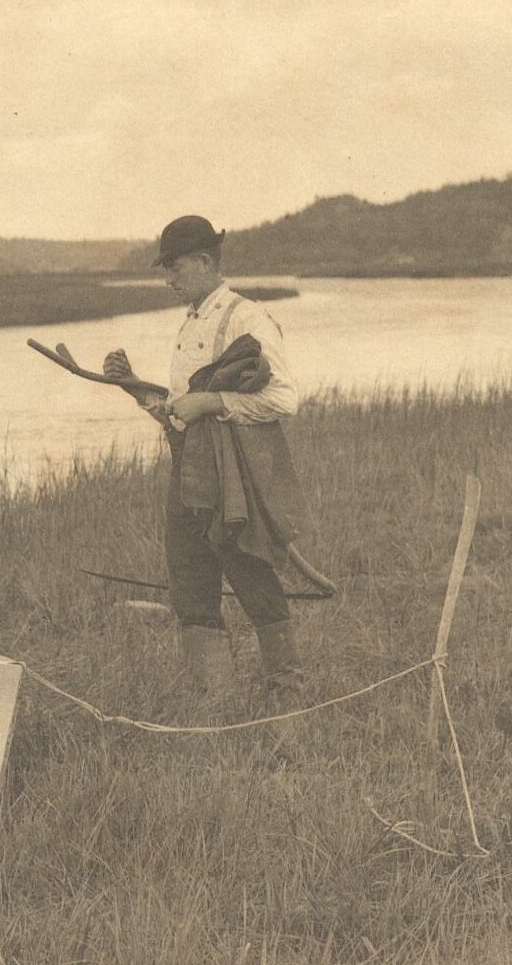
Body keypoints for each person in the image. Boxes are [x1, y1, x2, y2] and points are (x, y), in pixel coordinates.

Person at [105, 214, 308, 694]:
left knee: (251, 576)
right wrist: (133, 388)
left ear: (204, 261)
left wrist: (212, 402)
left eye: (175, 267)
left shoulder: (248, 318)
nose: (168, 279)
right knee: (191, 587)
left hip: (231, 479)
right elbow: (181, 413)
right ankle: (212, 702)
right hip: (187, 476)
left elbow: (285, 400)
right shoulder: (190, 323)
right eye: (165, 269)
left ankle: (288, 693)